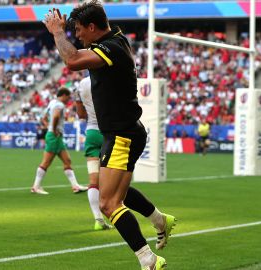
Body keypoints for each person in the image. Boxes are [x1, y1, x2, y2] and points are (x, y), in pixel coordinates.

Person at [43, 2, 176, 269]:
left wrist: (58, 33)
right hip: (123, 132)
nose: (77, 36)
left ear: (92, 27)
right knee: (118, 193)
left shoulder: (111, 48)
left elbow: (72, 60)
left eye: (79, 30)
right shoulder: (114, 40)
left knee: (108, 203)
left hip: (122, 135)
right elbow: (78, 54)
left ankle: (148, 258)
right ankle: (160, 220)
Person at [31, 87, 88, 195]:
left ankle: (75, 186)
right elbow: (56, 116)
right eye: (68, 97)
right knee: (46, 162)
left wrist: (49, 127)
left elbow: (43, 117)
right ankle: (35, 187)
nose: (69, 100)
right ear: (63, 95)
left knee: (67, 161)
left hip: (54, 136)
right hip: (54, 136)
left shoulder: (52, 102)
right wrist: (54, 129)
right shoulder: (59, 105)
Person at [75, 76, 113, 231]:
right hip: (109, 134)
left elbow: (81, 115)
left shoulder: (82, 84)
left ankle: (98, 220)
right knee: (113, 180)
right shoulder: (110, 80)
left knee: (93, 181)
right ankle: (116, 214)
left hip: (91, 134)